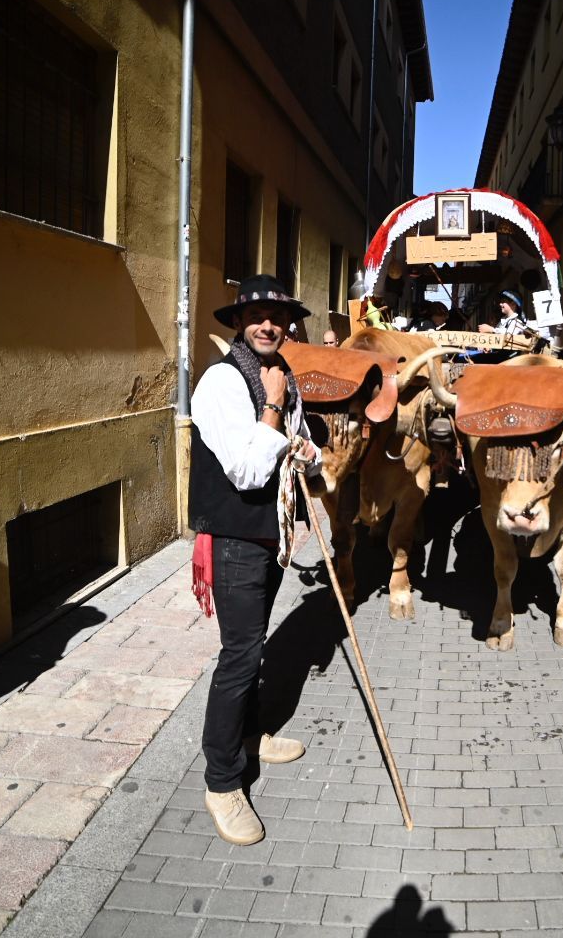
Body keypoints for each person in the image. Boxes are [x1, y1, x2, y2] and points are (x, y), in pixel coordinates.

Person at [190, 274, 321, 846]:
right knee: (240, 656)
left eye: (279, 315)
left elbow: (300, 448)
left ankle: (249, 735)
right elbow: (246, 470)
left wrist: (309, 451)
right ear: (241, 322)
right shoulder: (223, 381)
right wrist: (271, 407)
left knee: (256, 645)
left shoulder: (284, 378)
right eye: (258, 314)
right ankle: (222, 782)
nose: (269, 324)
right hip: (236, 539)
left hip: (270, 539)